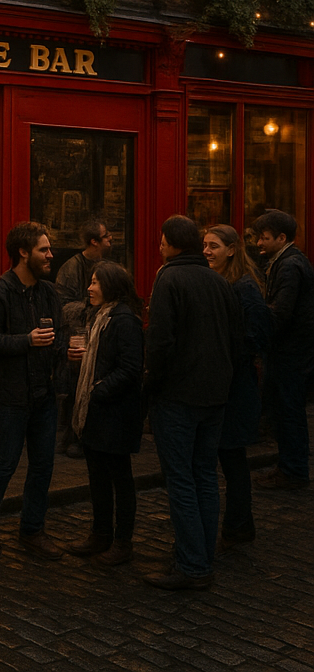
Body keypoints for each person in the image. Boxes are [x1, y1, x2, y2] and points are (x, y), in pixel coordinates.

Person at [143, 215, 243, 591]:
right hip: (214, 396)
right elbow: (236, 340)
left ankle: (193, 564)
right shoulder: (219, 281)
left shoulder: (169, 277)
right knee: (204, 475)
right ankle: (201, 553)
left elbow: (160, 341)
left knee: (182, 479)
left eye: (161, 241)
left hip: (179, 396)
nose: (159, 247)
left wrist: (153, 384)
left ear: (170, 243)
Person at [0, 221, 64, 561]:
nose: (50, 255)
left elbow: (59, 334)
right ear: (23, 253)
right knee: (5, 463)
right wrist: (26, 341)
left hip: (43, 393)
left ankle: (32, 530)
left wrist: (64, 351)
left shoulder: (47, 292)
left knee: (43, 466)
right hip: (9, 396)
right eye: (44, 249)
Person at [65, 261, 144, 566]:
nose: (90, 288)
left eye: (96, 282)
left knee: (120, 479)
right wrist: (82, 361)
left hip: (115, 413)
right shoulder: (101, 317)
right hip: (97, 412)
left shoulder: (125, 320)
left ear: (111, 286)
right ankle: (99, 534)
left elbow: (130, 369)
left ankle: (122, 542)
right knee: (97, 477)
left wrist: (98, 389)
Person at [203, 224, 274, 543]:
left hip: (236, 386)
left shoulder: (245, 287)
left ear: (231, 249)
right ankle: (238, 523)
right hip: (224, 382)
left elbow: (255, 336)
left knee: (232, 457)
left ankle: (239, 524)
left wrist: (226, 355)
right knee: (228, 457)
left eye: (213, 246)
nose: (207, 251)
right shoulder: (223, 282)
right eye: (205, 245)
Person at [251, 209, 314, 489]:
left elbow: (281, 313)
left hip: (291, 353)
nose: (258, 244)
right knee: (286, 410)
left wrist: (256, 320)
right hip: (291, 350)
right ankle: (289, 467)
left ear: (282, 237)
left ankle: (293, 471)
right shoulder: (284, 261)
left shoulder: (289, 266)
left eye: (264, 238)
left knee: (289, 411)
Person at [54, 219, 113, 459]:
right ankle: (72, 434)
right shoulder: (71, 268)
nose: (111, 239)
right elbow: (63, 305)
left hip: (101, 332)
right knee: (74, 386)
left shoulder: (109, 266)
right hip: (77, 336)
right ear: (94, 241)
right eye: (107, 236)